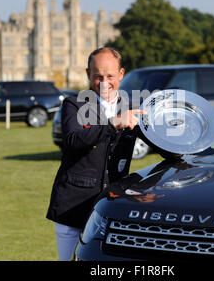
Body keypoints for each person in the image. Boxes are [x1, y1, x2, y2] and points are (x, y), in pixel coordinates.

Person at [46, 47, 145, 260]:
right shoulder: (74, 104)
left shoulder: (131, 107)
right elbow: (73, 140)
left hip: (111, 207)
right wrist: (114, 123)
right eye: (98, 76)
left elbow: (161, 143)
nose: (104, 82)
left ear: (121, 74)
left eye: (110, 76)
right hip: (72, 205)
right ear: (87, 74)